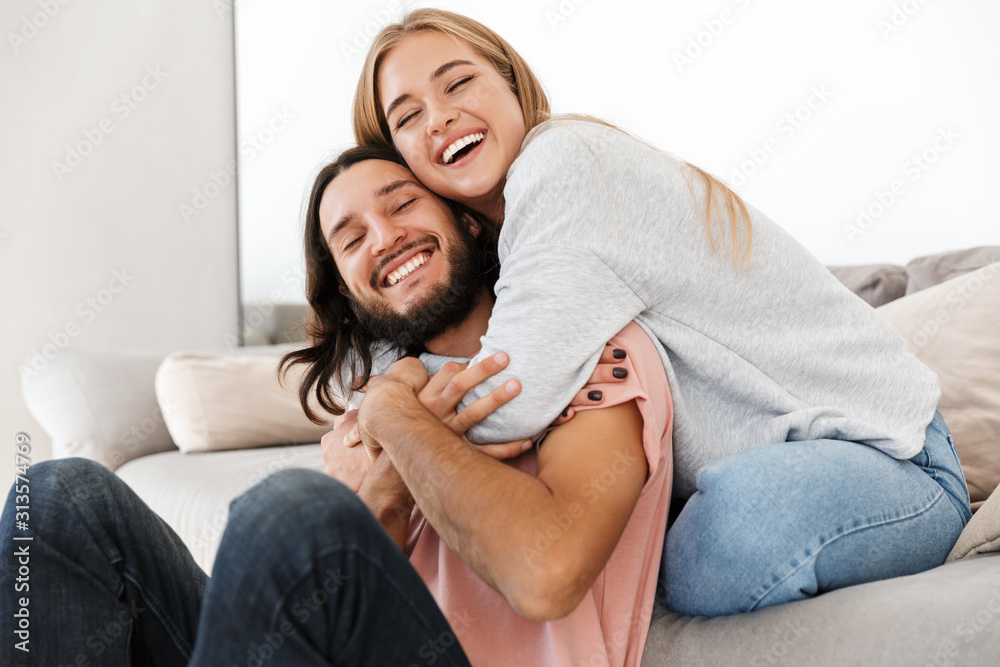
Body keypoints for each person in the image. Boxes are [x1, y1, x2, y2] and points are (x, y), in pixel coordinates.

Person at [297, 8, 971, 617]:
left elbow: (509, 398)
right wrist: (381, 414)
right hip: (782, 460)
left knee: (713, 546)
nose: (439, 115)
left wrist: (392, 425)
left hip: (894, 461)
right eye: (408, 115)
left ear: (510, 85)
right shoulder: (509, 242)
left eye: (458, 82)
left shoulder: (562, 166)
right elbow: (417, 345)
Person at [0, 146, 673, 667]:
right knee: (59, 498)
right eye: (351, 239)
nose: (382, 237)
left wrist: (398, 419)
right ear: (349, 293)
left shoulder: (594, 350)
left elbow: (546, 575)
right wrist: (390, 471)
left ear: (467, 220)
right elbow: (330, 601)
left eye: (402, 203)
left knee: (290, 509)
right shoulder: (360, 420)